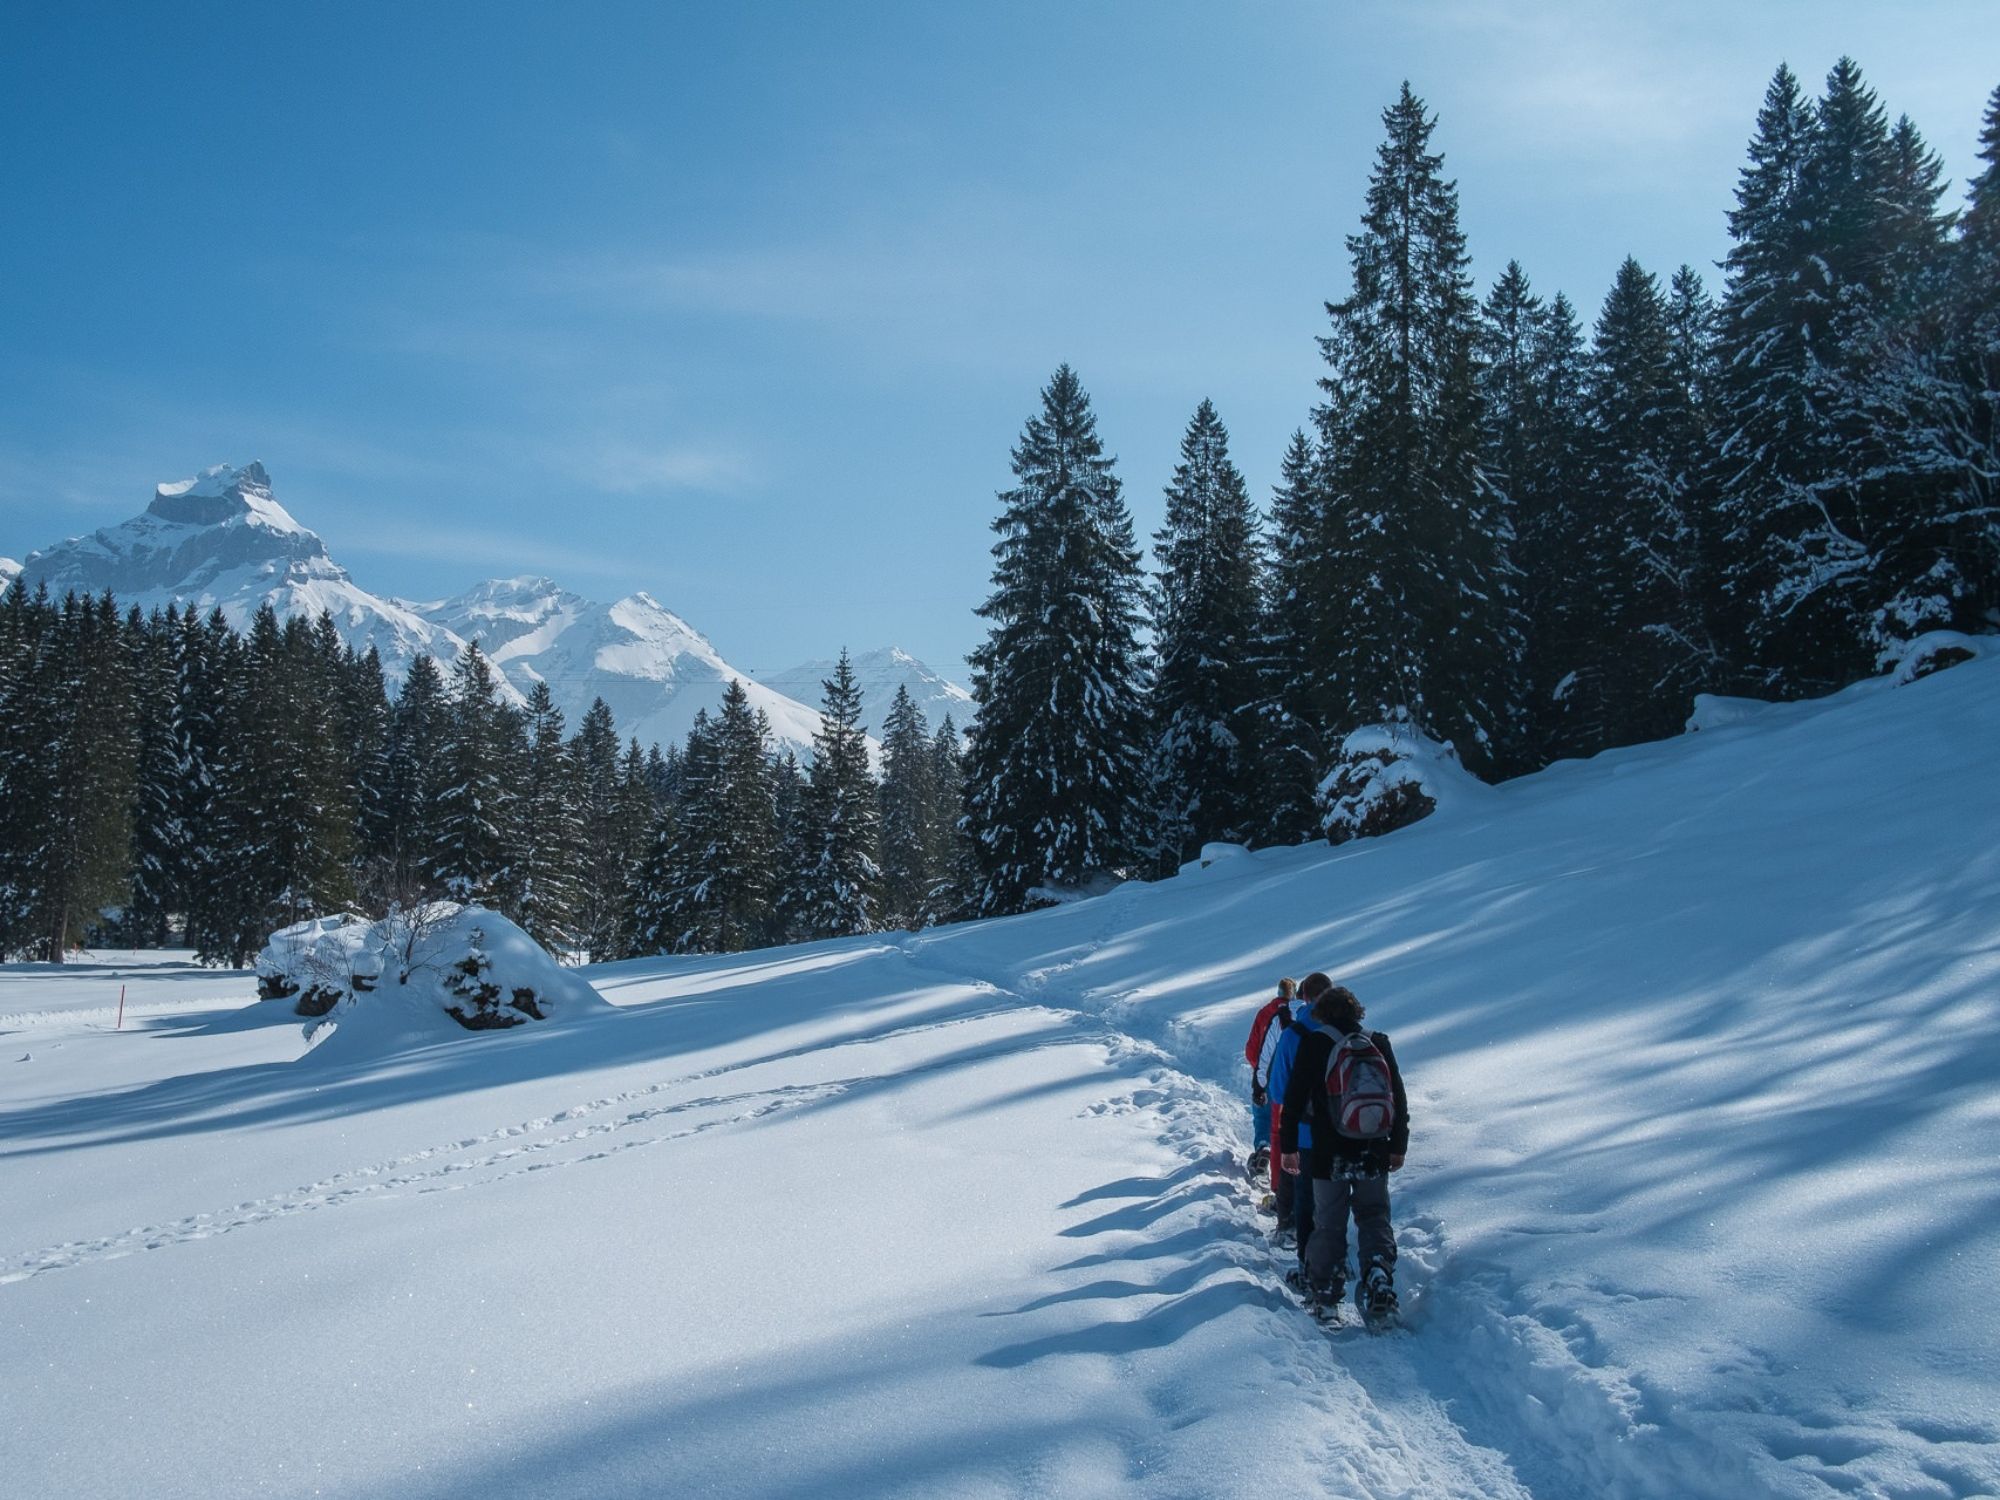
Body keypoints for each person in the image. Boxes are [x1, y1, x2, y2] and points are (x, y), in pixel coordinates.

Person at [1279, 974, 1409, 1320]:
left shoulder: (1315, 1043)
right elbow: (1398, 1097)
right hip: (1373, 1148)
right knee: (1374, 1215)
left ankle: (1325, 1292)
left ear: (1321, 1012)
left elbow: (1293, 1100)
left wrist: (1288, 1147)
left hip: (1327, 1151)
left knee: (1329, 1222)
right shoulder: (1377, 1041)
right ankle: (1379, 1275)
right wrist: (1398, 1146)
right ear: (1357, 1012)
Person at [1241, 977, 1297, 1184]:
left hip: (1266, 1076)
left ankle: (1264, 1148)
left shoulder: (1266, 1013)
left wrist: (1259, 1071)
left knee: (1264, 1118)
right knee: (1286, 1125)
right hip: (1291, 1079)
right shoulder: (1298, 1014)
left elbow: (1252, 1049)